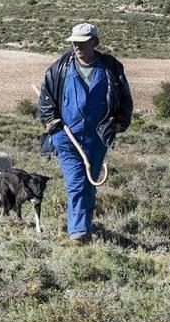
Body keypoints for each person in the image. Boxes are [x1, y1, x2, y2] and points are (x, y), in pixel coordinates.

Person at [37, 23, 132, 245]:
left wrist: (119, 123)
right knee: (77, 182)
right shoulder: (59, 67)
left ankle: (85, 229)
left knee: (90, 185)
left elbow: (124, 98)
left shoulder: (111, 68)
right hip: (66, 135)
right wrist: (52, 122)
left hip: (98, 136)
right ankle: (78, 232)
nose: (77, 46)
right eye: (74, 42)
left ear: (94, 42)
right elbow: (45, 100)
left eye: (82, 42)